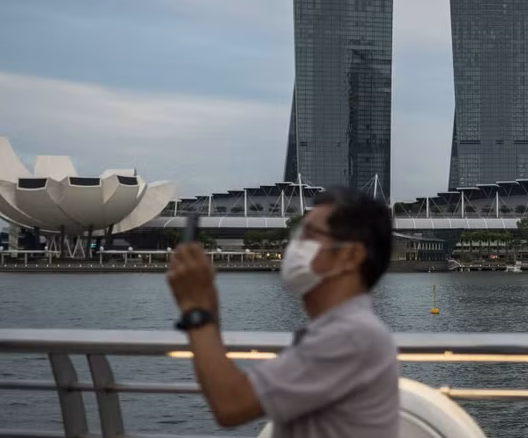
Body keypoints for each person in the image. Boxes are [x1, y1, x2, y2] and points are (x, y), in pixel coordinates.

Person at [167, 187, 400, 437]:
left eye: (310, 234)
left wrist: (197, 309)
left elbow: (232, 403)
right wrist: (207, 305)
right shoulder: (337, 330)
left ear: (351, 255)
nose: (295, 245)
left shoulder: (352, 336)